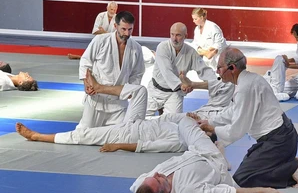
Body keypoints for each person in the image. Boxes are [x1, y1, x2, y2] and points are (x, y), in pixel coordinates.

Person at [197, 48, 298, 189]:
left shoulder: (245, 88)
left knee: (242, 179)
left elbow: (236, 131)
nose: (217, 71)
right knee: (248, 172)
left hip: (279, 142)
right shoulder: (249, 80)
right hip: (282, 138)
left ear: (232, 68)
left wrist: (212, 129)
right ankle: (285, 162)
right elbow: (234, 110)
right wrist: (211, 121)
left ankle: (292, 168)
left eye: (219, 67)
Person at [118, 116, 284, 193]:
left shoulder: (142, 185)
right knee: (252, 174)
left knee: (184, 122)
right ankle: (220, 153)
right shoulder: (191, 192)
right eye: (159, 180)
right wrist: (263, 191)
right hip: (214, 161)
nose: (155, 174)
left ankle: (213, 142)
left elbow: (139, 191)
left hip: (194, 150)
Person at [15, 70, 186, 153]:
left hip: (128, 134)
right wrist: (187, 116)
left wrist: (118, 145)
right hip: (140, 121)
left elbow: (148, 146)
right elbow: (169, 117)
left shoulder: (182, 142)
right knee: (140, 90)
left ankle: (37, 136)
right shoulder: (190, 124)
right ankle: (99, 88)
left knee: (84, 135)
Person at [78, 11, 145, 129]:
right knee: (84, 133)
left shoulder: (136, 48)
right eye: (123, 29)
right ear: (115, 26)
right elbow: (85, 61)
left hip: (118, 103)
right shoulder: (100, 40)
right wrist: (86, 84)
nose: (127, 33)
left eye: (130, 29)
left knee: (121, 135)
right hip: (97, 99)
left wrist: (129, 90)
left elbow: (137, 73)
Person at [146, 22, 217, 116]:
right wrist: (182, 85)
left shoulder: (190, 52)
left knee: (173, 122)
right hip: (155, 91)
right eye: (172, 34)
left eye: (178, 35)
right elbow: (167, 71)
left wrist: (217, 82)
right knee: (139, 120)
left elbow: (204, 70)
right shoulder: (162, 47)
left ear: (185, 36)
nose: (174, 39)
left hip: (174, 94)